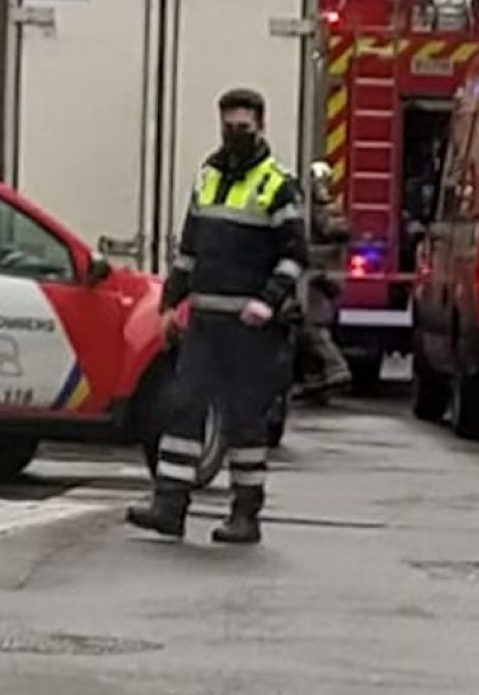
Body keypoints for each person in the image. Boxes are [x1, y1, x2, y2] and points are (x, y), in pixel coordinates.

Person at [126, 87, 307, 545]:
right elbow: (189, 251)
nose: (235, 135)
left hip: (251, 329)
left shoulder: (278, 184)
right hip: (205, 324)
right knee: (183, 409)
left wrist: (268, 300)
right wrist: (169, 303)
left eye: (243, 127)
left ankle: (245, 515)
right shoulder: (207, 177)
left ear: (261, 126)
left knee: (246, 422)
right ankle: (169, 505)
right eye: (228, 127)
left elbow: (294, 255)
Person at [295, 164, 353, 402]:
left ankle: (335, 367)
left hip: (321, 274)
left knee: (312, 326)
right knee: (304, 325)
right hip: (316, 272)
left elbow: (336, 230)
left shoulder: (326, 210)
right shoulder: (310, 208)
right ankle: (314, 377)